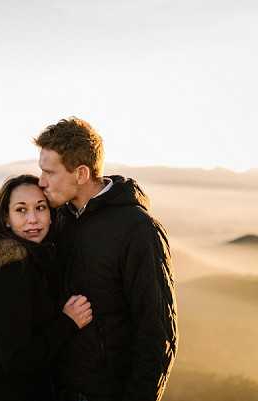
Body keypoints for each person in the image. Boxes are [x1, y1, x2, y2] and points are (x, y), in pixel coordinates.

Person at [35, 117, 178, 401]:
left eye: (49, 172)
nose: (41, 182)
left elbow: (156, 332)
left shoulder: (136, 229)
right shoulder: (56, 220)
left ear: (81, 173)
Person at [0, 174, 93, 401]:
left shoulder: (40, 257)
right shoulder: (8, 271)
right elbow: (18, 362)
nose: (33, 219)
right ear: (6, 218)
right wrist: (68, 322)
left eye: (40, 208)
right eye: (21, 210)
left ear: (52, 215)